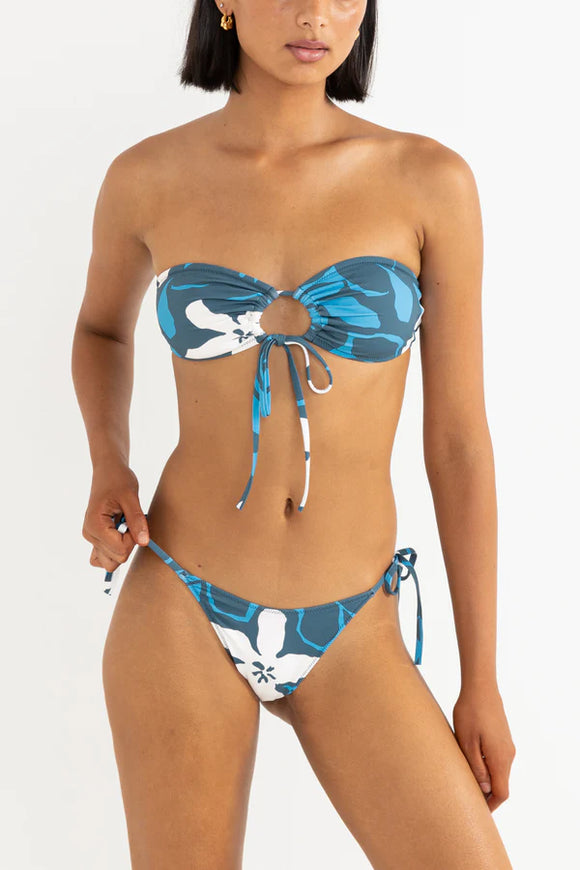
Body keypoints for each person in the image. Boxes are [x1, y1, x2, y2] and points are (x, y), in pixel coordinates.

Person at [71, 1, 516, 866]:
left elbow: (459, 444)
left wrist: (481, 680)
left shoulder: (429, 181)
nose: (314, 14)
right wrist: (107, 460)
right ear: (225, 2)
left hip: (355, 627)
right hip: (182, 597)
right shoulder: (148, 177)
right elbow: (99, 332)